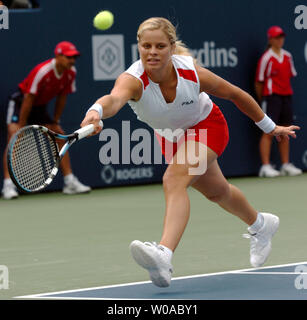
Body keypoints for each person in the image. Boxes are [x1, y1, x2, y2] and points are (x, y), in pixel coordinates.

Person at [81, 18, 299, 287]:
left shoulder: (191, 73)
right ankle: (261, 225)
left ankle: (164, 254)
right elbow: (113, 99)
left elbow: (236, 94)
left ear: (171, 47)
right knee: (218, 192)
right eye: (146, 45)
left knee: (174, 180)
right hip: (171, 137)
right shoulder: (133, 80)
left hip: (207, 126)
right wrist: (96, 111)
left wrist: (270, 126)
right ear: (138, 46)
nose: (152, 52)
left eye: (160, 46)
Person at [2, 41, 91, 200]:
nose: (72, 61)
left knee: (60, 135)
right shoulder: (43, 71)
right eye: (69, 57)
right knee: (14, 136)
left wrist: (55, 121)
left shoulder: (71, 72)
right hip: (21, 103)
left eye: (74, 58)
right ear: (58, 56)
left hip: (39, 107)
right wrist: (22, 126)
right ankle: (8, 185)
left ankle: (69, 182)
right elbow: (29, 98)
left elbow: (61, 98)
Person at [255, 26, 302, 178]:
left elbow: (289, 76)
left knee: (286, 130)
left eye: (282, 36)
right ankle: (266, 166)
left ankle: (285, 165)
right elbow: (259, 82)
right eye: (277, 37)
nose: (280, 39)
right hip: (271, 97)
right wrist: (264, 99)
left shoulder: (288, 56)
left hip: (286, 96)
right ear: (271, 40)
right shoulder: (266, 58)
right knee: (268, 130)